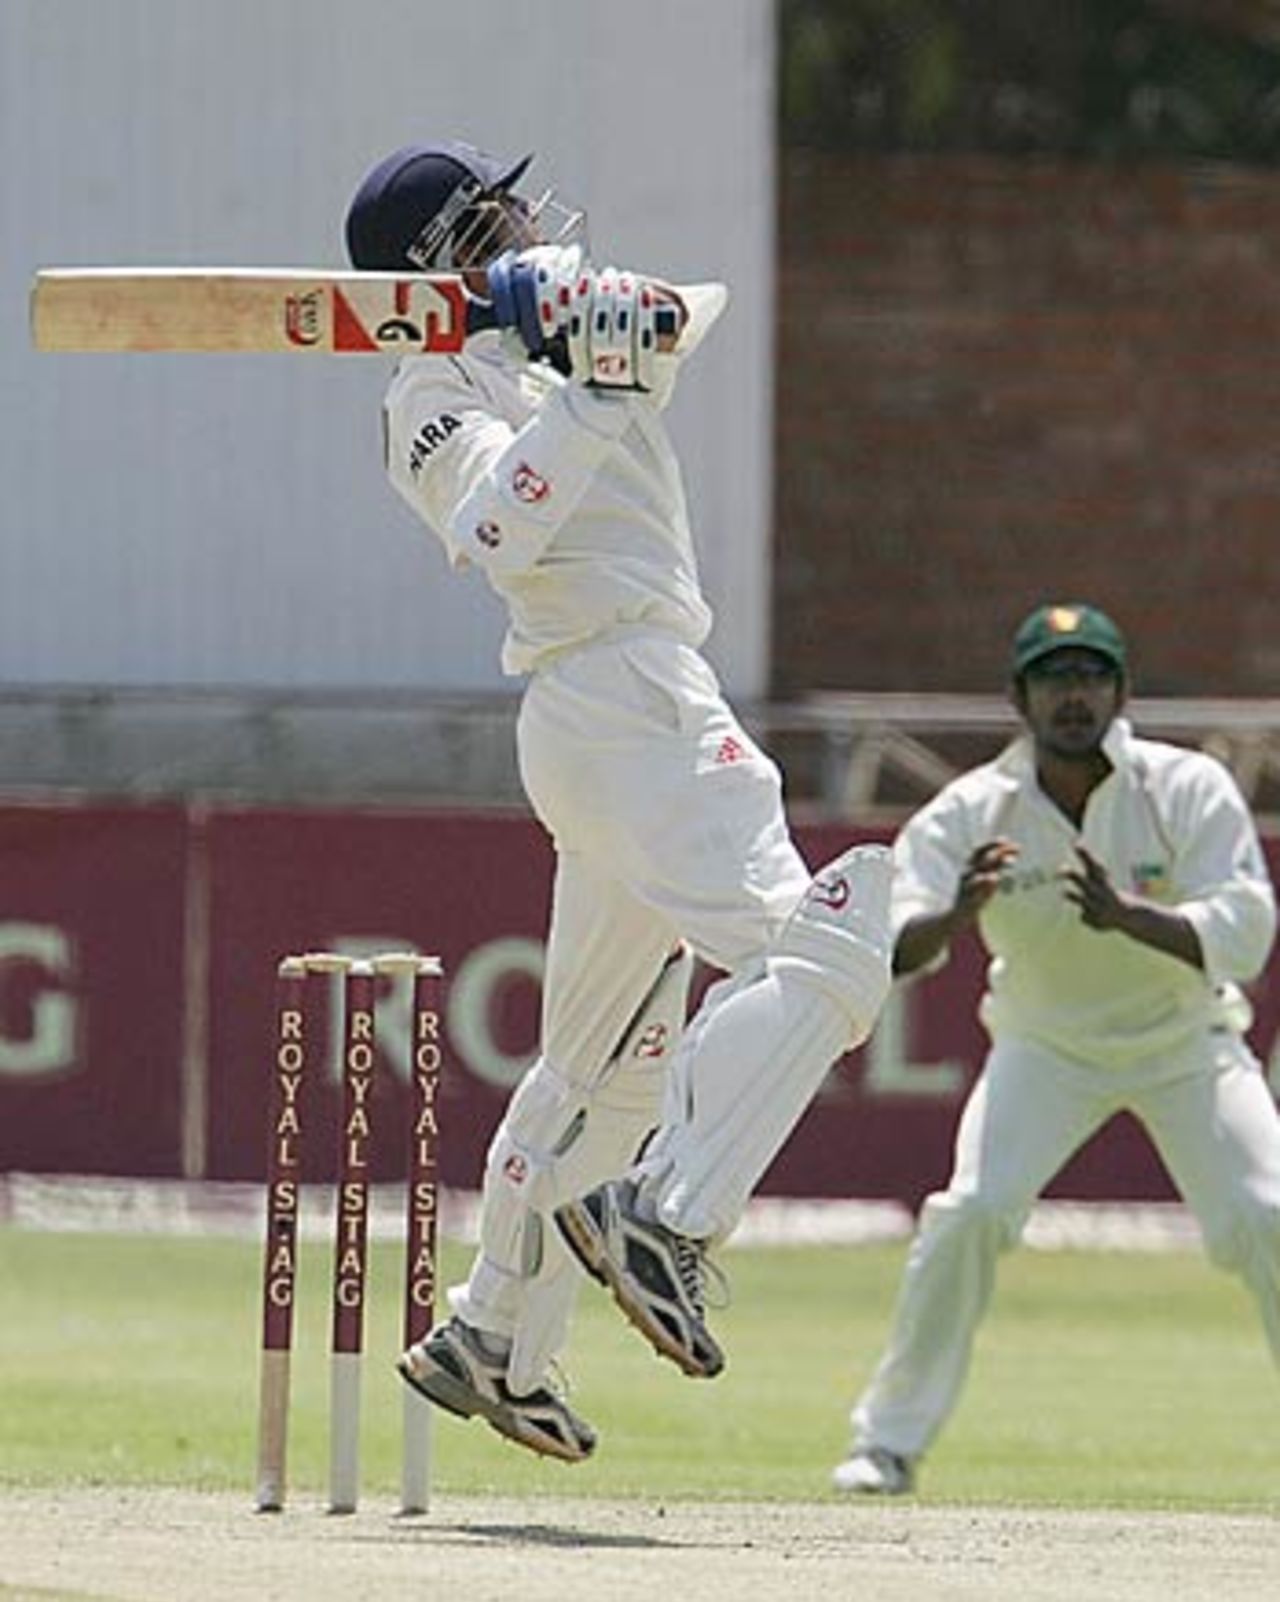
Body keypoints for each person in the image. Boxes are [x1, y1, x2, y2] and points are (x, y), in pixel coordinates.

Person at [343, 140, 894, 1462]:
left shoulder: (557, 318)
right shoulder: (427, 393)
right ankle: (668, 1214)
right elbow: (496, 530)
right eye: (495, 216)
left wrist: (578, 323)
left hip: (618, 712)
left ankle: (493, 1333)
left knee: (599, 1071)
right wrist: (586, 386)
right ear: (446, 253)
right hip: (618, 693)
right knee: (837, 936)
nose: (528, 221)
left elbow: (679, 315)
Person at [832, 601, 1280, 1496]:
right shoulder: (974, 810)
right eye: (1053, 678)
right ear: (1019, 696)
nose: (1074, 695)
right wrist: (954, 916)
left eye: (1090, 676)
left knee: (1268, 1216)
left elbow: (1247, 934)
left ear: (1121, 691)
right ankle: (886, 1444)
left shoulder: (1185, 787)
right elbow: (895, 945)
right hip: (1044, 1047)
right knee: (970, 1213)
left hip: (1186, 1041)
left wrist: (1129, 918)